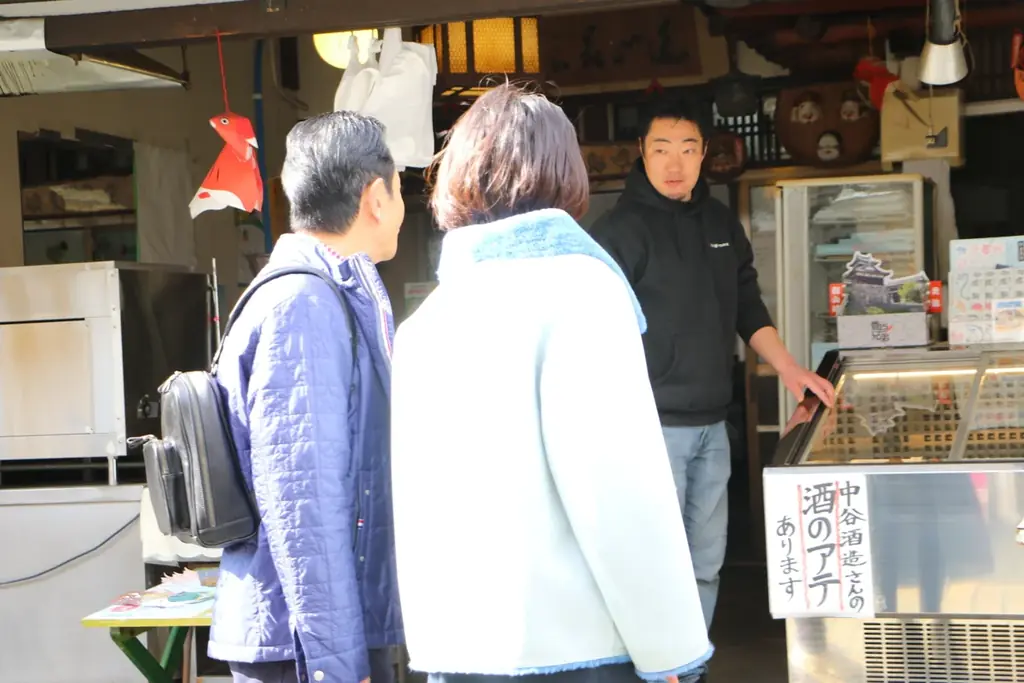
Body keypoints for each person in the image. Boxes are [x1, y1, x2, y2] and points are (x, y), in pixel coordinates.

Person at [390, 83, 712, 683]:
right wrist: (670, 651)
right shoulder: (581, 291)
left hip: (456, 649)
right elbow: (617, 495)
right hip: (576, 651)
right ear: (565, 173)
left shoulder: (425, 323)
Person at [590, 99, 835, 637]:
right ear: (642, 154)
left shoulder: (722, 223)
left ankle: (691, 662)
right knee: (655, 562)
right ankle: (657, 667)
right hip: (650, 428)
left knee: (705, 559)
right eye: (661, 150)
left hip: (712, 424)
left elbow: (748, 307)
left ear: (703, 154)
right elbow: (595, 329)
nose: (674, 163)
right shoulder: (619, 232)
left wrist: (791, 370)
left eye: (687, 149)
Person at [208, 111, 405, 683]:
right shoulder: (305, 304)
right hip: (304, 649)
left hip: (303, 637)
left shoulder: (315, 292)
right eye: (398, 191)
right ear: (374, 197)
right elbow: (304, 500)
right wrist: (338, 664)